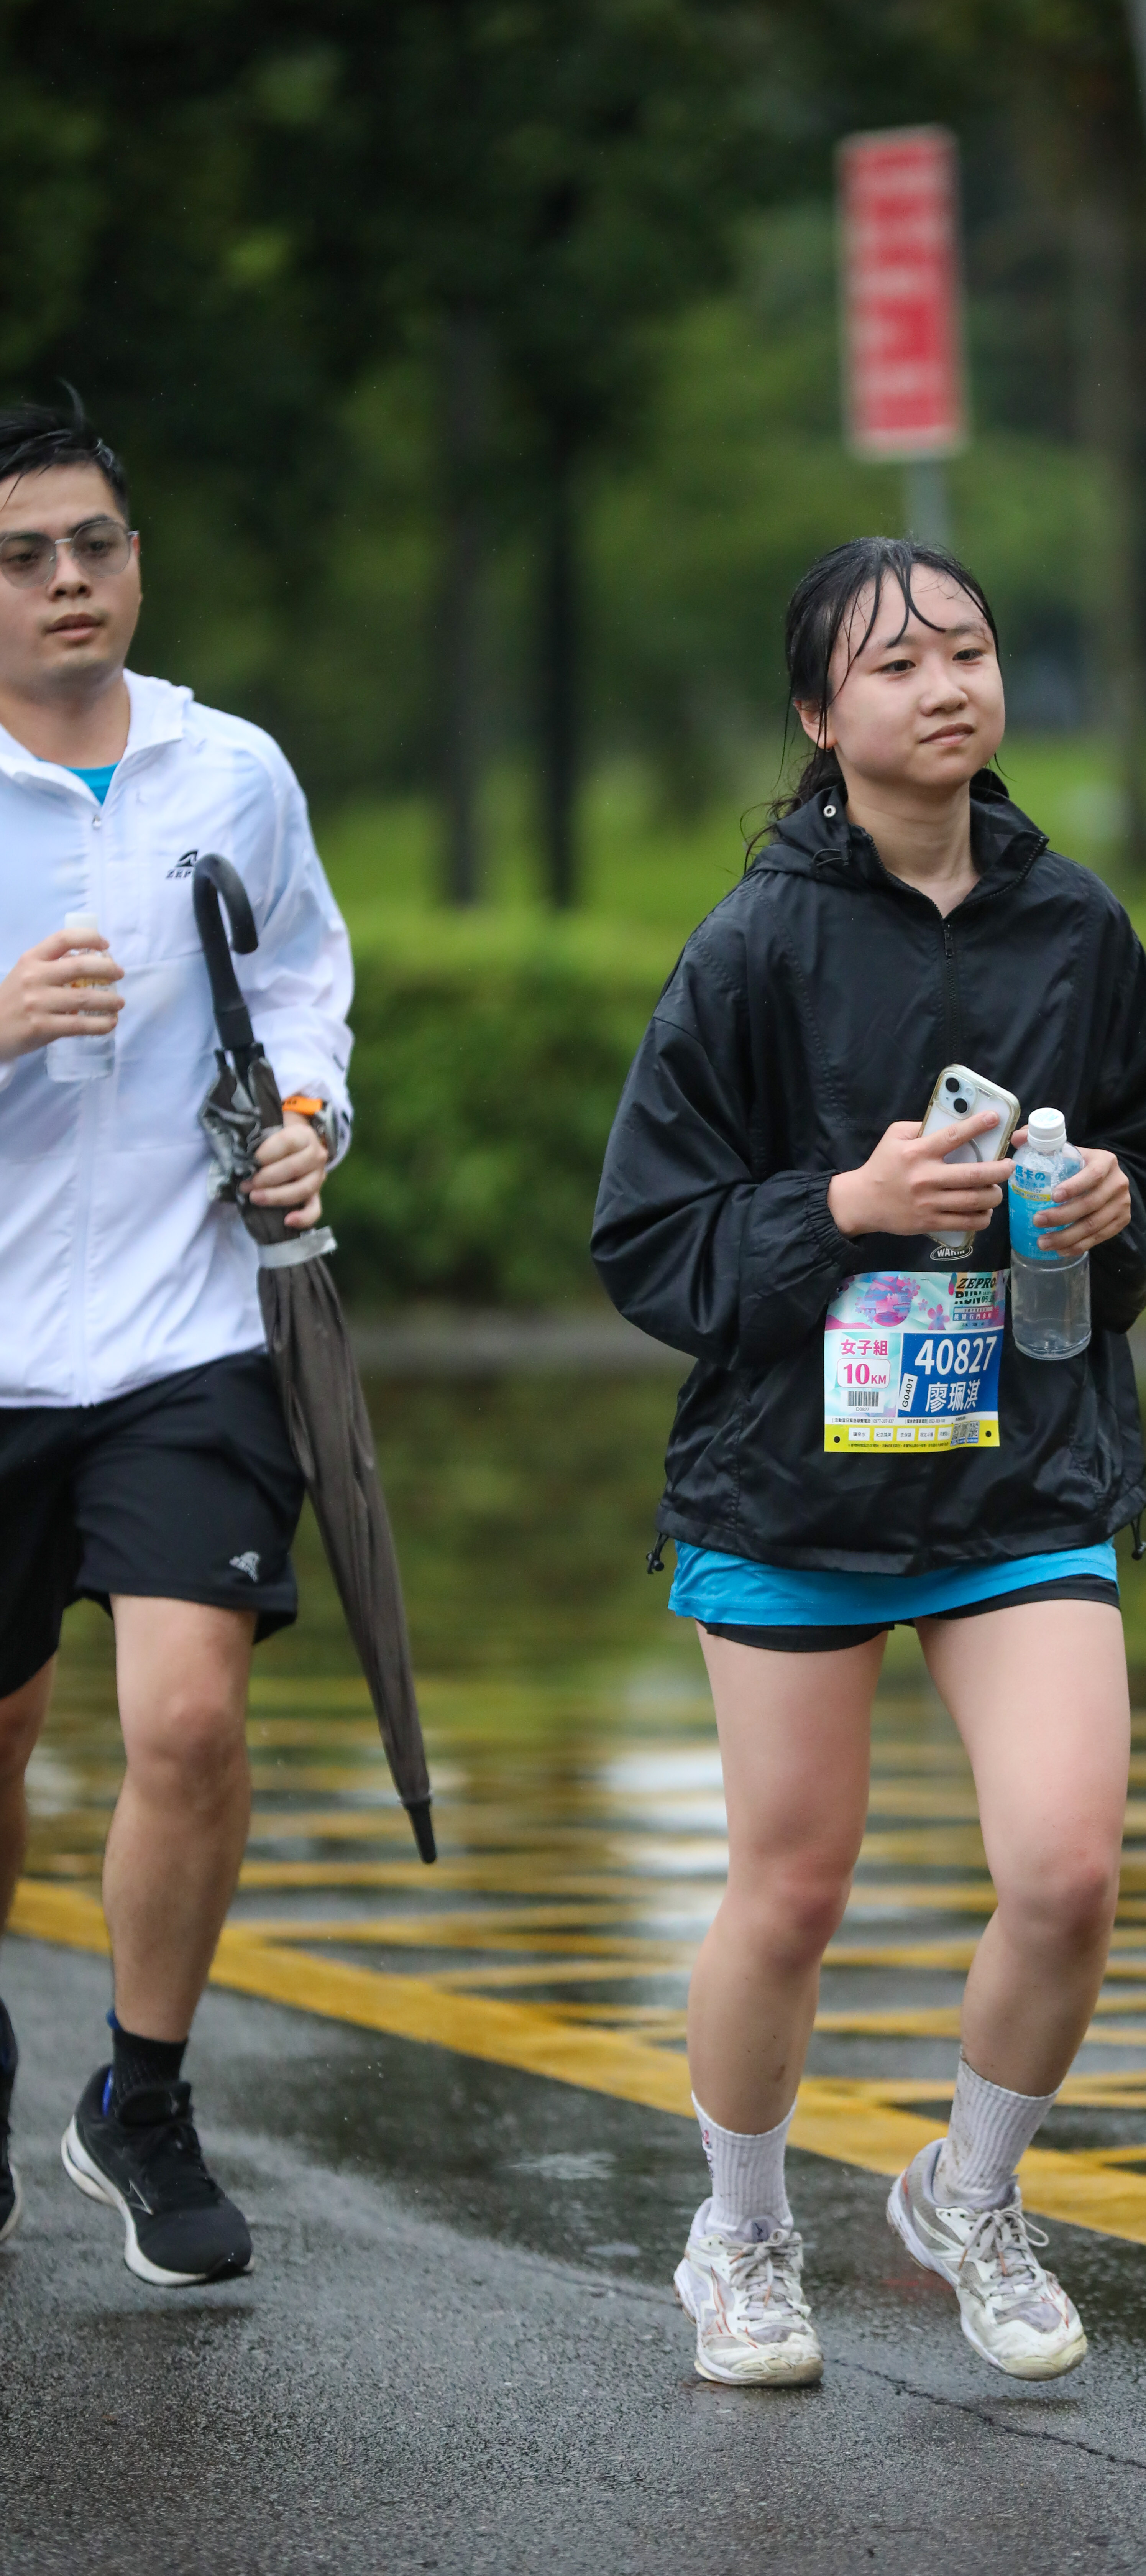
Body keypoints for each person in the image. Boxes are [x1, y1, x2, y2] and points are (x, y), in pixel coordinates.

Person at [593, 537, 1146, 2386]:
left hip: (1021, 1475)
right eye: (895, 663)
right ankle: (741, 2236)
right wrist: (845, 1208)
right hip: (794, 1485)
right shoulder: (753, 945)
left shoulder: (1077, 926)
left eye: (969, 650)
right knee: (791, 1887)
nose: (945, 686)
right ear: (818, 715)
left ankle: (971, 2194)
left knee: (1068, 1871)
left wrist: (1109, 1208)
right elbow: (650, 1241)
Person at [0, 403, 353, 2285]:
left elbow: (302, 973)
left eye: (96, 545)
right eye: (23, 557)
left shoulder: (235, 770)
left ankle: (141, 2098)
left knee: (190, 1717)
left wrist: (305, 1110)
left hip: (185, 1325)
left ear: (136, 560)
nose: (68, 581)